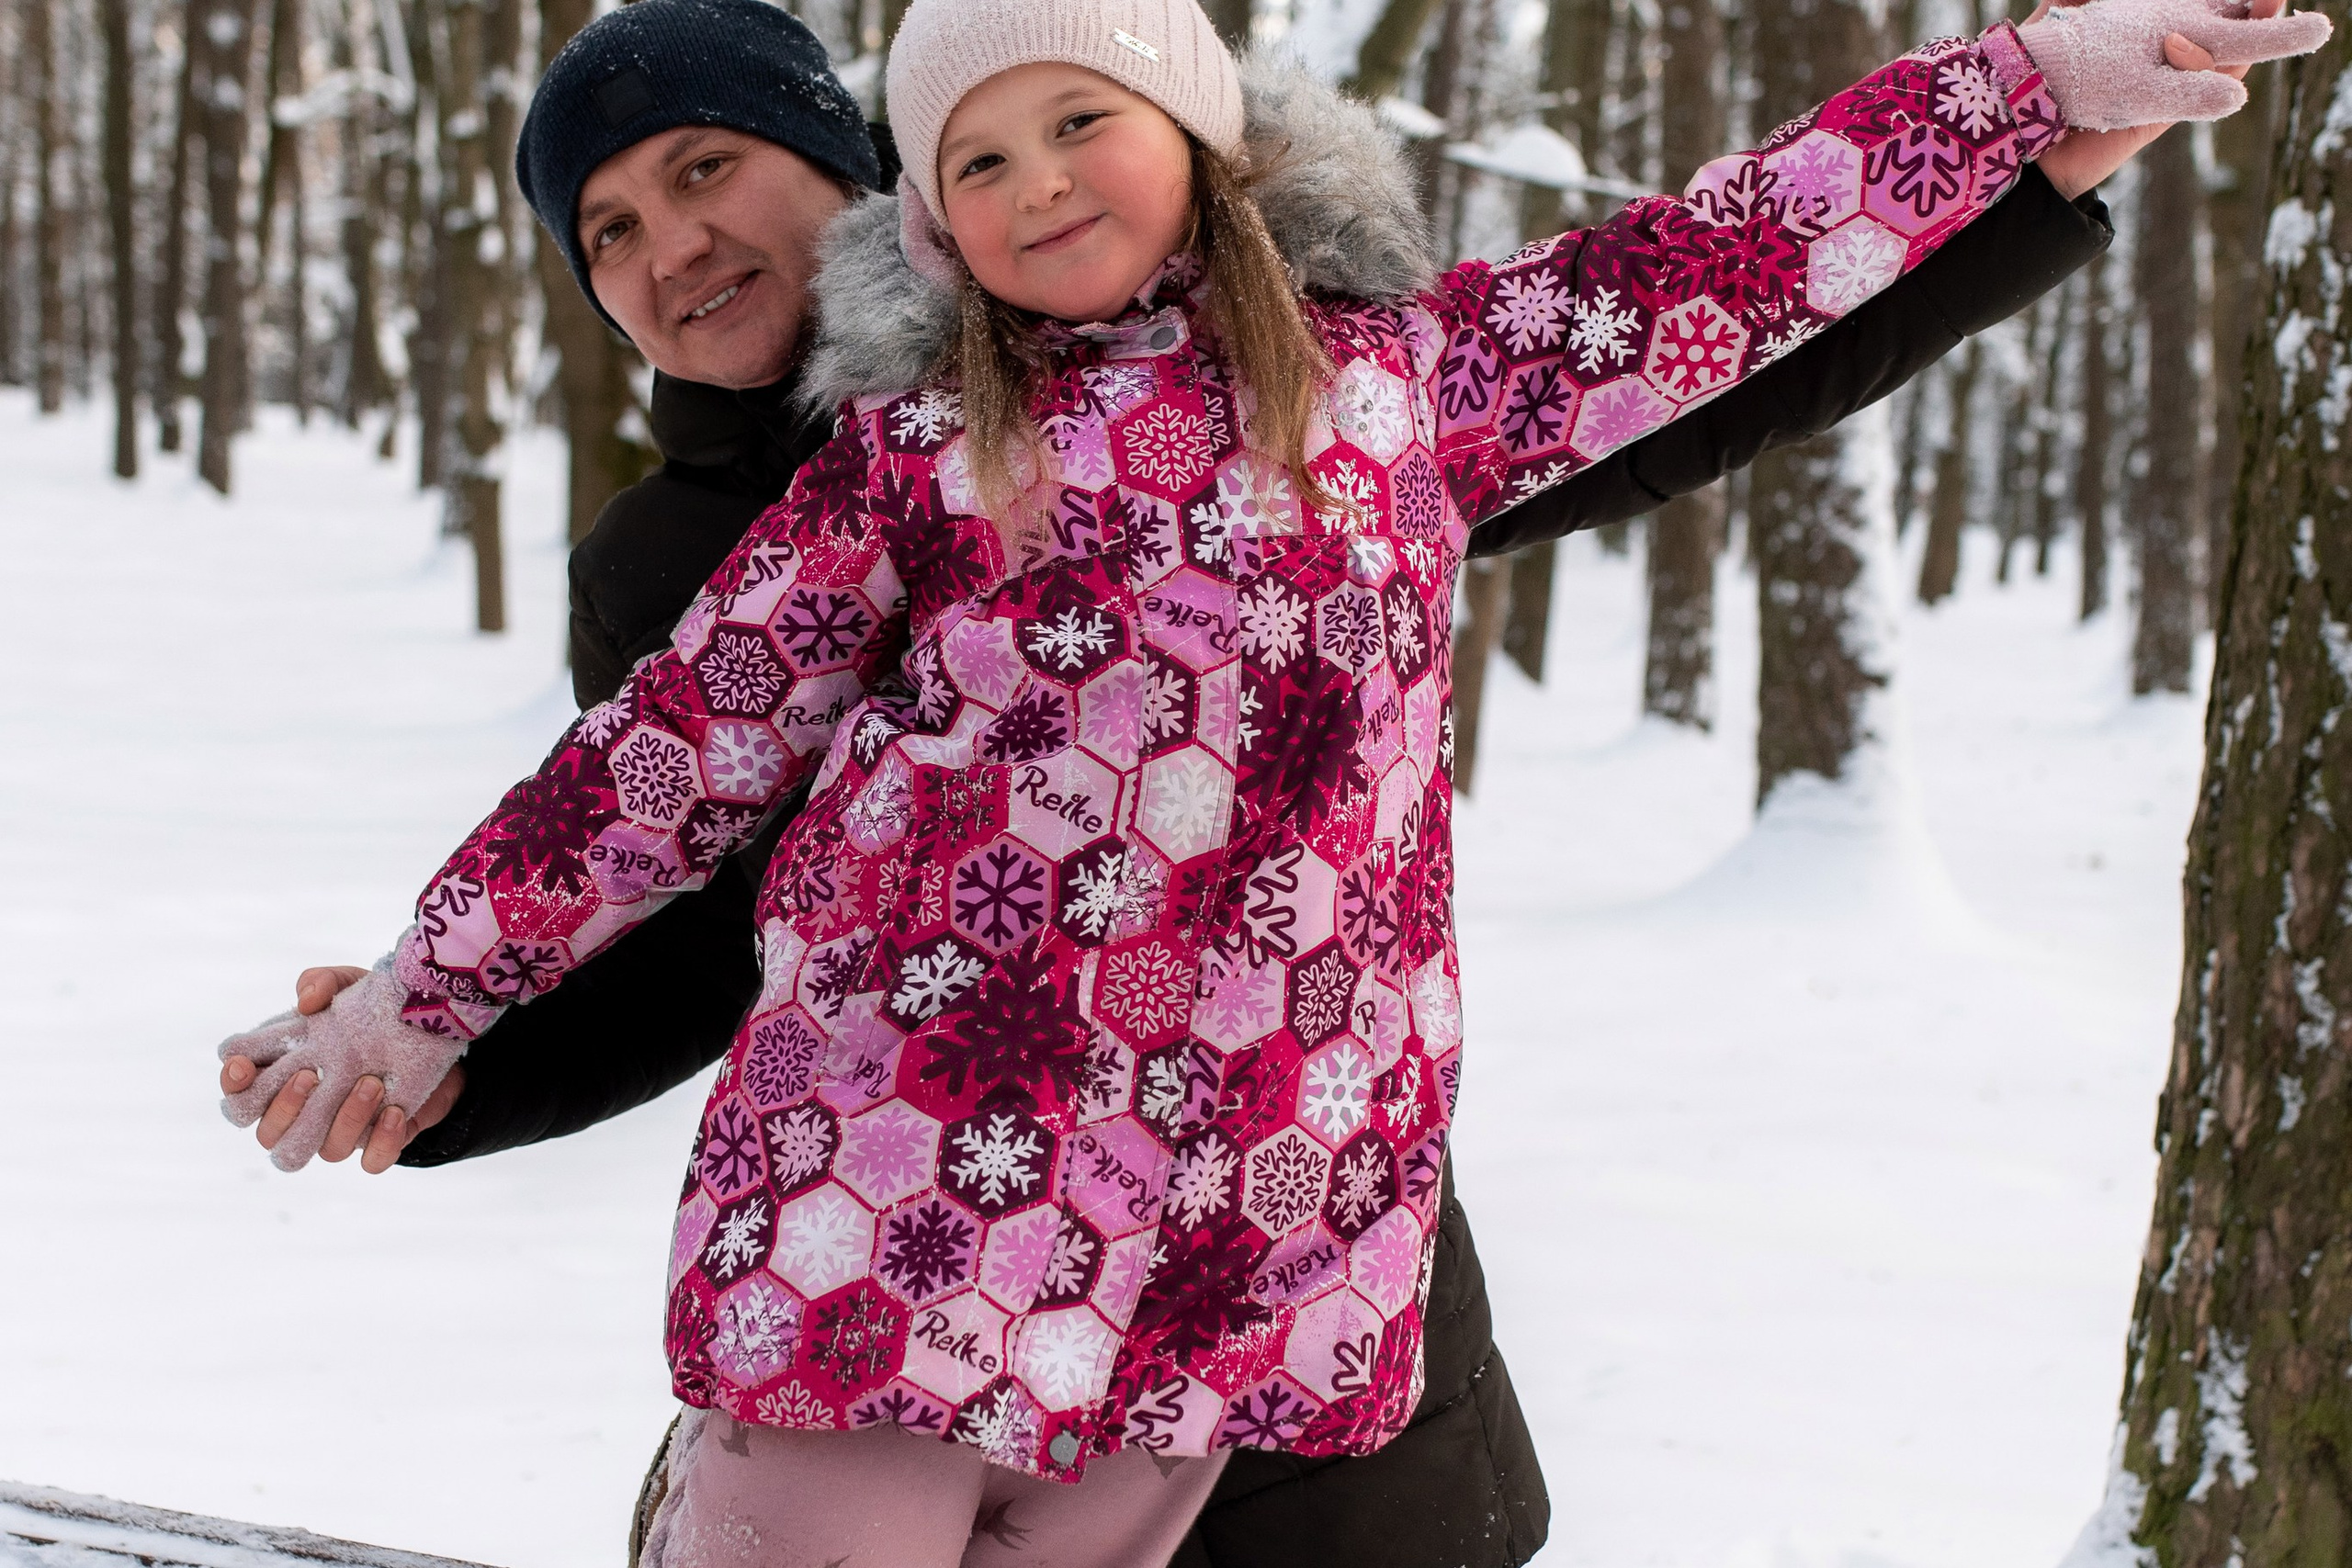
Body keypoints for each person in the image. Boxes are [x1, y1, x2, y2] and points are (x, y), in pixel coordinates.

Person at [213, 0, 2322, 1559]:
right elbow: (664, 794)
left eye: (701, 168)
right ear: (931, 215)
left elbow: (1711, 287)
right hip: (893, 1215)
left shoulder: (1375, 395)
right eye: (607, 223)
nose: (668, 237)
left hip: (1256, 1225)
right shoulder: (856, 481)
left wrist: (2032, 100)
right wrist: (439, 1011)